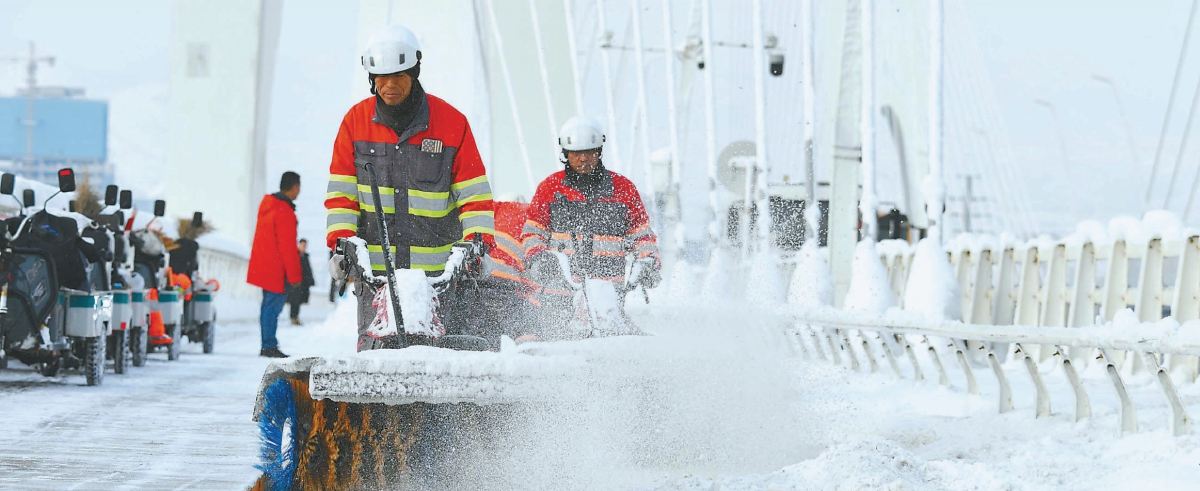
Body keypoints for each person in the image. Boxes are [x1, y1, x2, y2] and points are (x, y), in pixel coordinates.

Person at [325, 24, 498, 352]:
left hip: (439, 280)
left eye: (399, 76)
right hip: (375, 277)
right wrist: (341, 246)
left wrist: (478, 246)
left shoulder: (452, 124)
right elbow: (342, 197)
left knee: (440, 361)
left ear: (415, 72)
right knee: (375, 360)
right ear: (371, 77)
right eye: (382, 77)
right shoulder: (354, 123)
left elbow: (474, 196)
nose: (390, 85)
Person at [522, 116, 662, 334]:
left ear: (599, 151)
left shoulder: (623, 190)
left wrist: (648, 261)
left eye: (590, 152)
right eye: (576, 153)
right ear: (565, 154)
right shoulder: (549, 189)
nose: (583, 158)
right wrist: (537, 257)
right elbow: (532, 233)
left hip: (608, 298)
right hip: (559, 296)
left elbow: (642, 236)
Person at [247, 172, 303, 358]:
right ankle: (269, 345)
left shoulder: (268, 206)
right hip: (277, 268)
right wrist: (295, 276)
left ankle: (267, 343)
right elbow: (288, 247)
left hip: (265, 263)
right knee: (273, 307)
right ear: (295, 187)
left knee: (267, 306)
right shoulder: (283, 211)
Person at [287, 239, 316, 325]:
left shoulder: (305, 256)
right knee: (294, 301)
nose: (304, 247)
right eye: (302, 245)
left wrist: (311, 280)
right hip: (295, 282)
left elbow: (308, 269)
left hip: (303, 283)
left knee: (299, 301)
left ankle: (295, 317)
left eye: (305, 246)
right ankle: (293, 317)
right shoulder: (295, 255)